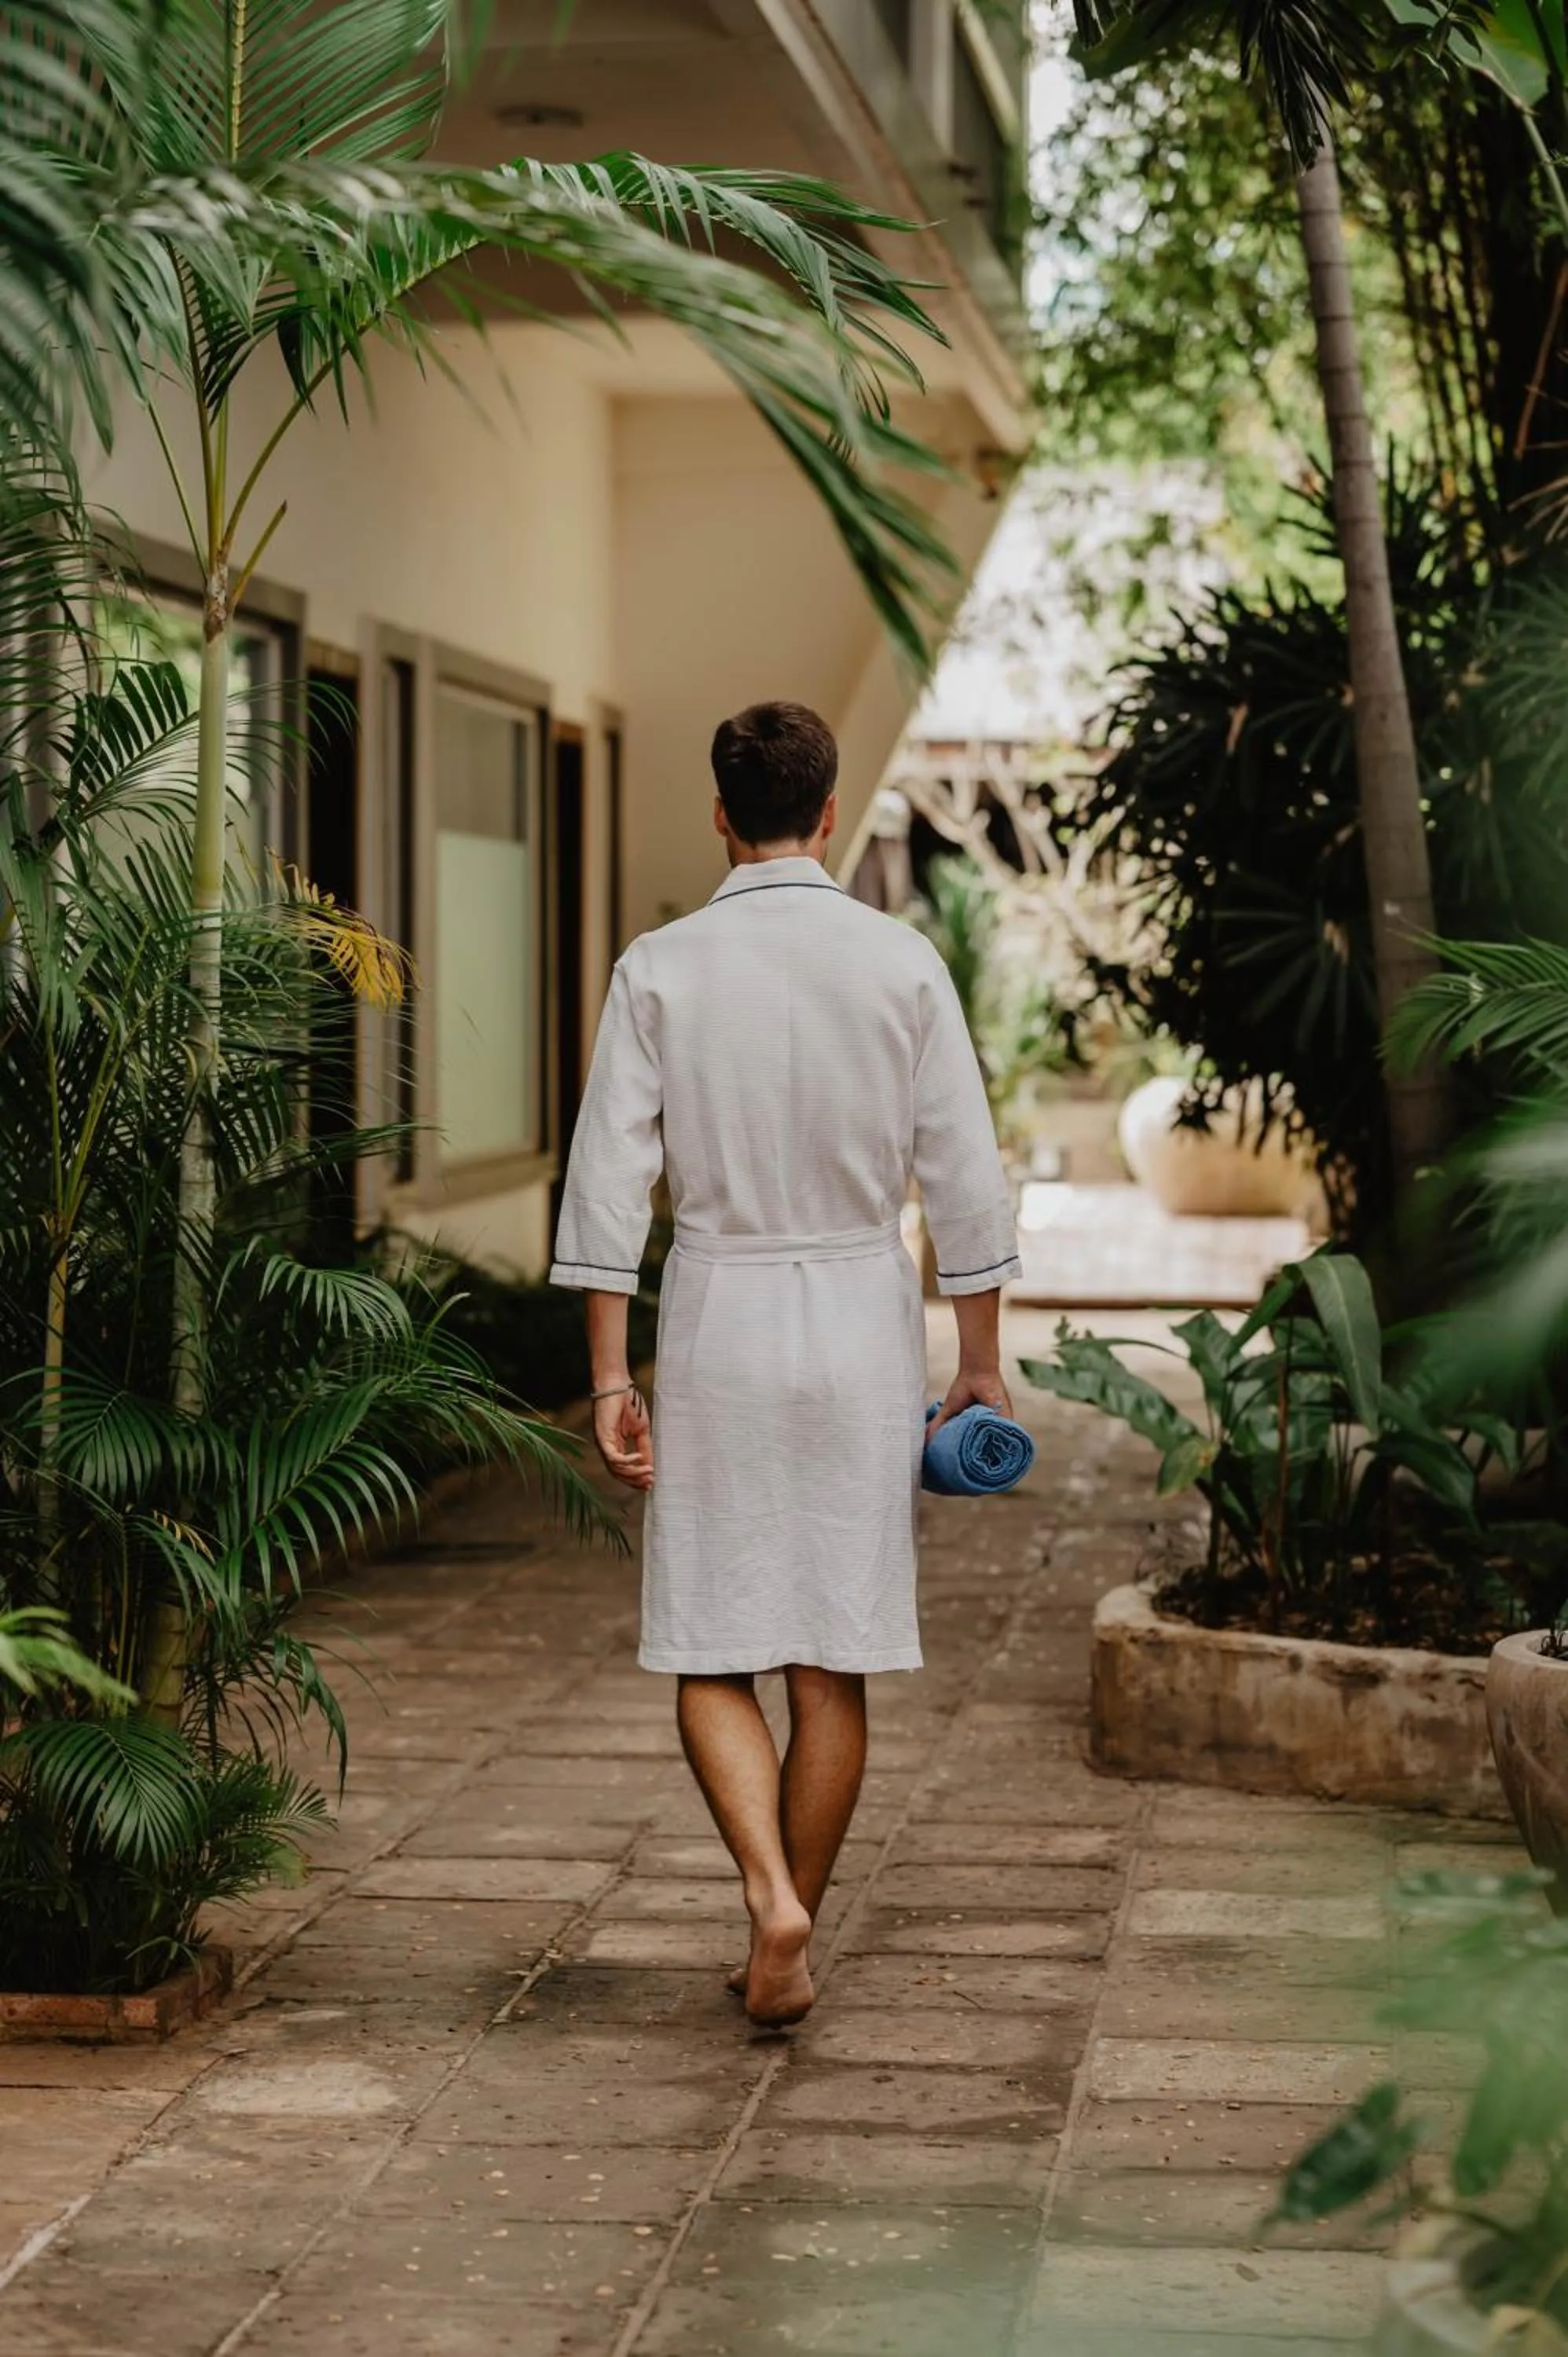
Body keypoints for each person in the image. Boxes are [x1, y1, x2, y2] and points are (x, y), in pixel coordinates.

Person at [550, 701, 1021, 2027]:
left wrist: (608, 1379)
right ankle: (790, 1922)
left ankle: (769, 1899)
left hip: (721, 1319)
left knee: (714, 1646)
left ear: (719, 813)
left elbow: (607, 1186)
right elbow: (965, 1182)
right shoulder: (901, 963)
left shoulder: (662, 966)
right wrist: (977, 1364)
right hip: (864, 1323)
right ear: (829, 814)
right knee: (833, 1657)